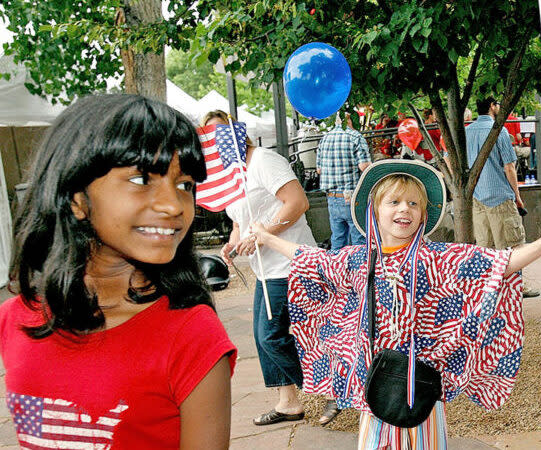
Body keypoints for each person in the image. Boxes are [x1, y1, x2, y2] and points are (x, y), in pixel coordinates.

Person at [251, 159, 541, 449]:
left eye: (414, 203)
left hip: (420, 385)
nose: (405, 209)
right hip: (375, 386)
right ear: (374, 210)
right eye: (395, 202)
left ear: (424, 213)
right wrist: (267, 237)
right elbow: (312, 259)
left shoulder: (436, 258)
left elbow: (497, 264)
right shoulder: (360, 260)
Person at [1, 94, 236, 448]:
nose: (174, 204)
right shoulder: (13, 321)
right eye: (142, 180)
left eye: (185, 184)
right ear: (77, 198)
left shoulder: (192, 336)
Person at [199, 111, 318, 427]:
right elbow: (240, 218)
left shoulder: (263, 160)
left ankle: (329, 389)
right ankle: (288, 402)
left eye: (221, 133)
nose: (216, 142)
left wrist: (263, 233)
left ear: (237, 133)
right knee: (262, 336)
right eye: (210, 137)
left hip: (290, 263)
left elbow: (297, 203)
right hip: (266, 269)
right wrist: (233, 242)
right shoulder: (230, 174)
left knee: (270, 337)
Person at [465, 96, 540, 298]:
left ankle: (489, 287)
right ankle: (517, 286)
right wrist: (517, 196)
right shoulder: (499, 130)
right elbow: (509, 167)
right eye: (497, 104)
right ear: (492, 106)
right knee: (513, 245)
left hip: (477, 197)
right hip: (500, 195)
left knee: (485, 247)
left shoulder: (467, 131)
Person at [317, 122, 373, 250]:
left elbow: (319, 170)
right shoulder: (355, 137)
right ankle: (359, 269)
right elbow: (364, 167)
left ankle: (336, 268)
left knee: (338, 239)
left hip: (332, 197)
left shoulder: (325, 138)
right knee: (359, 240)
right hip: (351, 197)